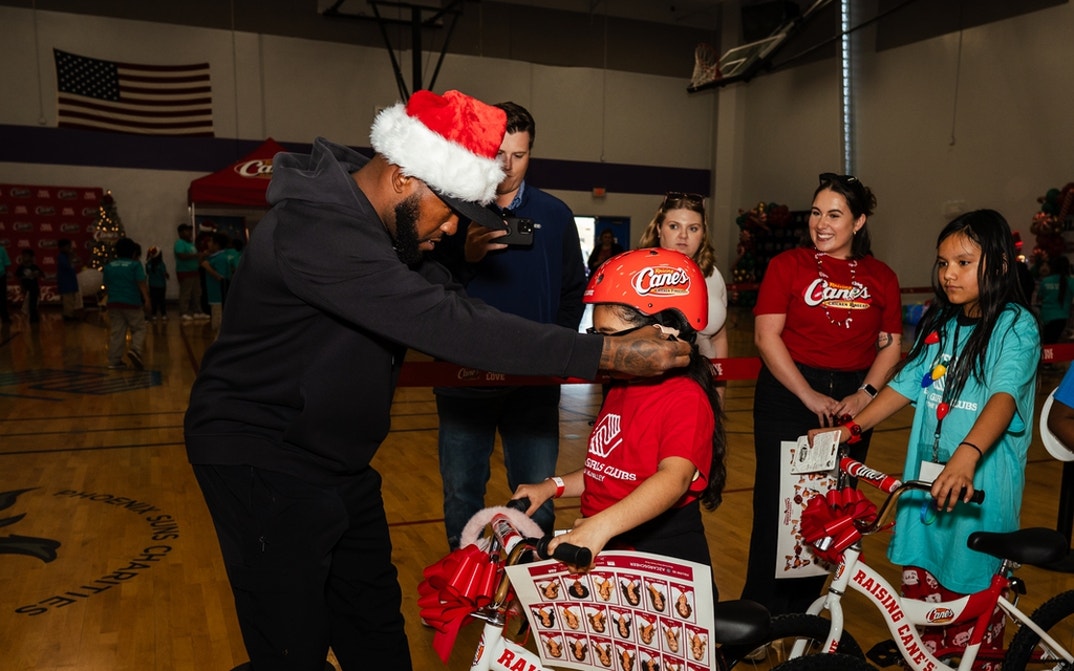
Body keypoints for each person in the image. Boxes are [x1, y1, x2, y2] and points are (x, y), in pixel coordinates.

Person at [182, 89, 690, 671]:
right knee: (292, 646)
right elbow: (448, 322)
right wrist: (606, 353)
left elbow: (452, 299)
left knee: (375, 626)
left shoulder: (376, 227)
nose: (452, 229)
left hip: (336, 459)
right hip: (262, 455)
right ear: (403, 178)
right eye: (448, 211)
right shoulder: (316, 230)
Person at [808, 208, 1039, 667]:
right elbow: (904, 384)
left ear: (998, 264)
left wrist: (967, 455)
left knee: (971, 620)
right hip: (927, 492)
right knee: (924, 616)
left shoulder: (1016, 326)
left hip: (978, 496)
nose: (949, 274)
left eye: (963, 263)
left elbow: (1004, 397)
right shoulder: (943, 324)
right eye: (943, 263)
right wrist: (851, 429)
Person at [741, 173, 903, 616]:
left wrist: (865, 395)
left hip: (851, 401)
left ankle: (804, 618)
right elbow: (766, 337)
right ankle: (759, 618)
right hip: (788, 394)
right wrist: (808, 394)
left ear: (859, 221)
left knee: (831, 510)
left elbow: (891, 346)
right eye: (816, 213)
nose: (821, 224)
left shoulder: (881, 276)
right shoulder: (787, 265)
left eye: (834, 215)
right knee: (778, 510)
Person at [430, 101, 587, 549]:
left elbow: (573, 289)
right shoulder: (450, 208)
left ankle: (531, 583)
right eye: (499, 154)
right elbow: (427, 288)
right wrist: (466, 257)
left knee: (537, 498)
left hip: (533, 384)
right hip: (463, 381)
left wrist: (555, 346)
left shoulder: (555, 214)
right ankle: (465, 578)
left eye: (519, 155)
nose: (508, 165)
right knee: (462, 494)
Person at [513, 247, 726, 574]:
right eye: (597, 337)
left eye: (610, 337)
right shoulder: (621, 386)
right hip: (607, 541)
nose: (603, 350)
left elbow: (675, 478)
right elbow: (609, 474)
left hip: (659, 557)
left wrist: (600, 527)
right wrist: (552, 486)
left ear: (665, 332)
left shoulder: (685, 397)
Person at [637, 192, 729, 400]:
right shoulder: (639, 274)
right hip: (650, 391)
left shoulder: (713, 275)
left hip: (702, 389)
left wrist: (719, 392)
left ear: (703, 234)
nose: (683, 236)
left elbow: (719, 337)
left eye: (693, 228)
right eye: (674, 226)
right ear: (659, 228)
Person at [102, 237, 151, 369]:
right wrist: (147, 299)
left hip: (113, 303)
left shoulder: (109, 266)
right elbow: (141, 283)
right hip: (131, 302)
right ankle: (135, 350)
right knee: (139, 328)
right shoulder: (135, 265)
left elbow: (106, 284)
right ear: (133, 252)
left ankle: (114, 360)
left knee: (117, 332)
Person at [1037, 253, 1074, 345]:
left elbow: (1039, 297)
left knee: (1047, 345)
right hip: (1062, 318)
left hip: (1045, 317)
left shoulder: (1046, 281)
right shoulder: (1070, 281)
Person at [174, 223, 207, 322]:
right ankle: (183, 312)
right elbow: (181, 256)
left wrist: (202, 256)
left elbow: (196, 256)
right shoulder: (180, 243)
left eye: (190, 231)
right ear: (180, 233)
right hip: (185, 272)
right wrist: (196, 255)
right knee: (186, 293)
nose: (189, 233)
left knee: (196, 293)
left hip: (194, 272)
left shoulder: (191, 244)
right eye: (186, 231)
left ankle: (197, 312)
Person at [200, 232, 233, 332]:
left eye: (211, 241)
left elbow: (220, 277)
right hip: (213, 294)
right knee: (215, 322)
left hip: (219, 296)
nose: (208, 243)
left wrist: (207, 267)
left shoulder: (221, 258)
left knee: (218, 323)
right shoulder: (214, 257)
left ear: (217, 245)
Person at [56, 239, 82, 321]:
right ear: (62, 247)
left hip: (71, 281)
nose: (70, 248)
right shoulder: (61, 257)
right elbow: (67, 266)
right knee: (68, 300)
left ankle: (71, 314)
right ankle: (68, 315)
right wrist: (71, 257)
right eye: (68, 247)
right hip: (66, 282)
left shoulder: (67, 256)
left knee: (72, 299)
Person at [16, 249, 42, 323]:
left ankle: (34, 317)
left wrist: (37, 273)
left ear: (31, 257)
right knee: (27, 304)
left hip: (34, 288)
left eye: (26, 256)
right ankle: (32, 317)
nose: (24, 258)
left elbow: (41, 274)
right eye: (23, 256)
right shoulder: (21, 268)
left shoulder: (34, 267)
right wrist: (22, 287)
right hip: (26, 288)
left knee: (34, 303)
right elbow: (19, 277)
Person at [145, 246, 170, 322]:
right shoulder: (161, 264)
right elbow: (165, 274)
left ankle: (154, 314)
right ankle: (163, 314)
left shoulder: (148, 263)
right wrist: (167, 275)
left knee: (153, 300)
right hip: (161, 285)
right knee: (162, 300)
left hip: (152, 285)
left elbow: (147, 272)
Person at [0, 244, 11, 323]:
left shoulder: (2, 250)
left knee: (2, 297)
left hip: (1, 276)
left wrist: (4, 274)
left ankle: (5, 317)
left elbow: (6, 264)